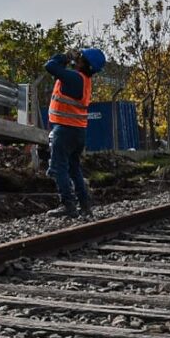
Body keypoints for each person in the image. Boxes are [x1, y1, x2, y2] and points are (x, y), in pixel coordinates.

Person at [45, 47, 107, 218]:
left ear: (84, 63)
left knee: (59, 168)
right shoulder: (84, 80)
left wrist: (65, 57)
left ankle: (68, 205)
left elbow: (50, 66)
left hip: (65, 130)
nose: (77, 59)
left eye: (80, 57)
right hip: (78, 131)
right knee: (73, 168)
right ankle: (85, 205)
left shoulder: (74, 78)